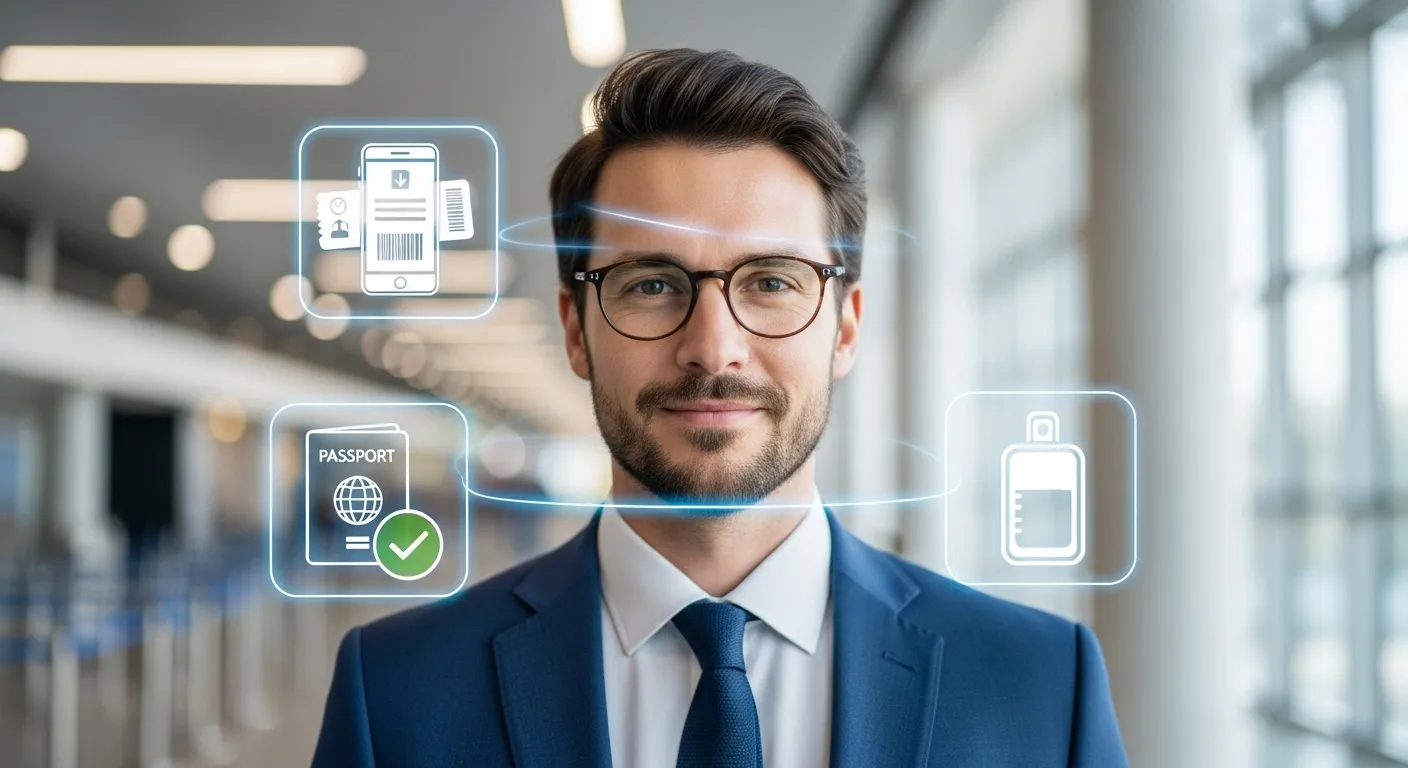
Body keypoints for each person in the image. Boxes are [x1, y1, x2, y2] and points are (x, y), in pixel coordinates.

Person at [312, 48, 1128, 767]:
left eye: (772, 282)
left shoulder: (1040, 687)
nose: (714, 347)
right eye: (652, 284)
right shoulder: (397, 696)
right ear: (576, 328)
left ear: (845, 327)